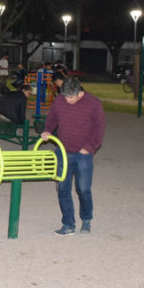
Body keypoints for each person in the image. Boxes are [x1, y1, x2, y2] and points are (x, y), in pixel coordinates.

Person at [40, 76, 105, 236]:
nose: (67, 100)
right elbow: (53, 117)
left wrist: (90, 147)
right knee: (63, 189)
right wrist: (48, 129)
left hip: (83, 154)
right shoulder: (60, 100)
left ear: (80, 94)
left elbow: (99, 129)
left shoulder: (93, 104)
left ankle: (86, 219)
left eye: (71, 97)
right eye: (65, 96)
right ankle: (68, 224)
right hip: (62, 152)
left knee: (83, 189)